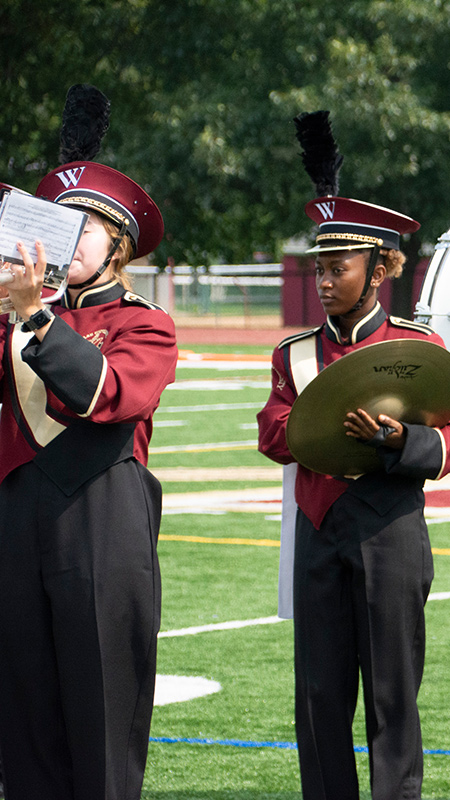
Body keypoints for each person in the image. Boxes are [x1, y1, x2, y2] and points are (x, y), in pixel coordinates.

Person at [257, 111, 450, 800]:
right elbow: (271, 429)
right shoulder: (294, 353)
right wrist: (303, 428)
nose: (325, 280)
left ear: (381, 269)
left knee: (392, 694)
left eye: (340, 267)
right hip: (320, 530)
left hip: (391, 529)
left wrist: (402, 443)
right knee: (319, 694)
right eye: (319, 267)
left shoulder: (422, 349)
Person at [0, 155, 175, 799]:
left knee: (103, 709)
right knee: (23, 714)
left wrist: (36, 318)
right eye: (59, 224)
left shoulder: (144, 323)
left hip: (104, 519)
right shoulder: (13, 317)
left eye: (86, 226)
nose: (69, 239)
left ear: (119, 247)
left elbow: (107, 394)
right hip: (18, 519)